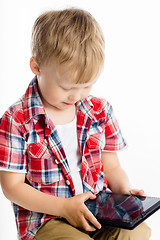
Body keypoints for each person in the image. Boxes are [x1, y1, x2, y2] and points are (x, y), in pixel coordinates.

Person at [0, 8, 151, 240]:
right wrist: (64, 208)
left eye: (86, 86)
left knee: (138, 232)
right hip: (48, 219)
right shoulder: (17, 119)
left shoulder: (100, 111)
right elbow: (12, 187)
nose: (77, 96)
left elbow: (111, 167)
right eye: (67, 87)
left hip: (98, 212)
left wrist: (124, 192)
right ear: (37, 66)